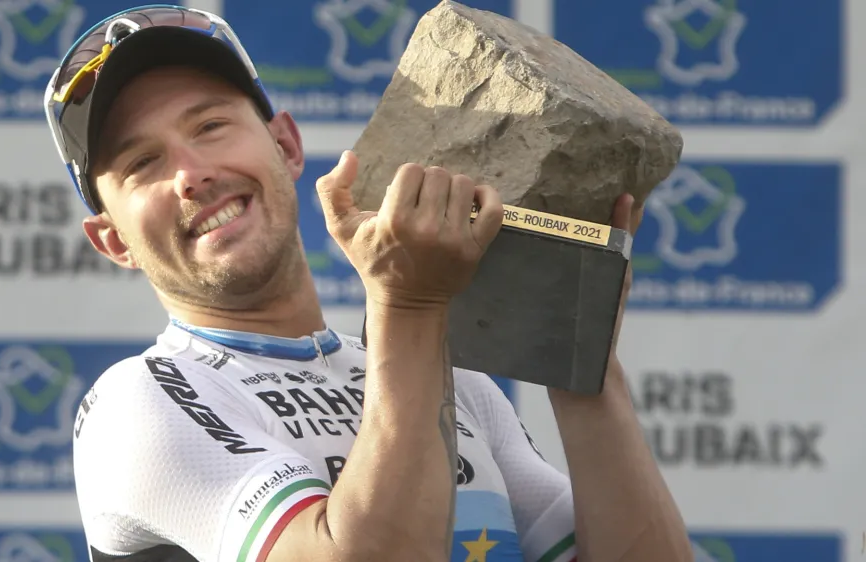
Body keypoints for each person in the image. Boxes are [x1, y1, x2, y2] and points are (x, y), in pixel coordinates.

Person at [43, 5, 692, 562]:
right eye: (142, 163)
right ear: (113, 240)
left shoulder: (458, 381)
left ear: (287, 146)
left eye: (210, 126)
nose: (190, 173)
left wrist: (582, 354)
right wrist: (408, 303)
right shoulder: (139, 404)